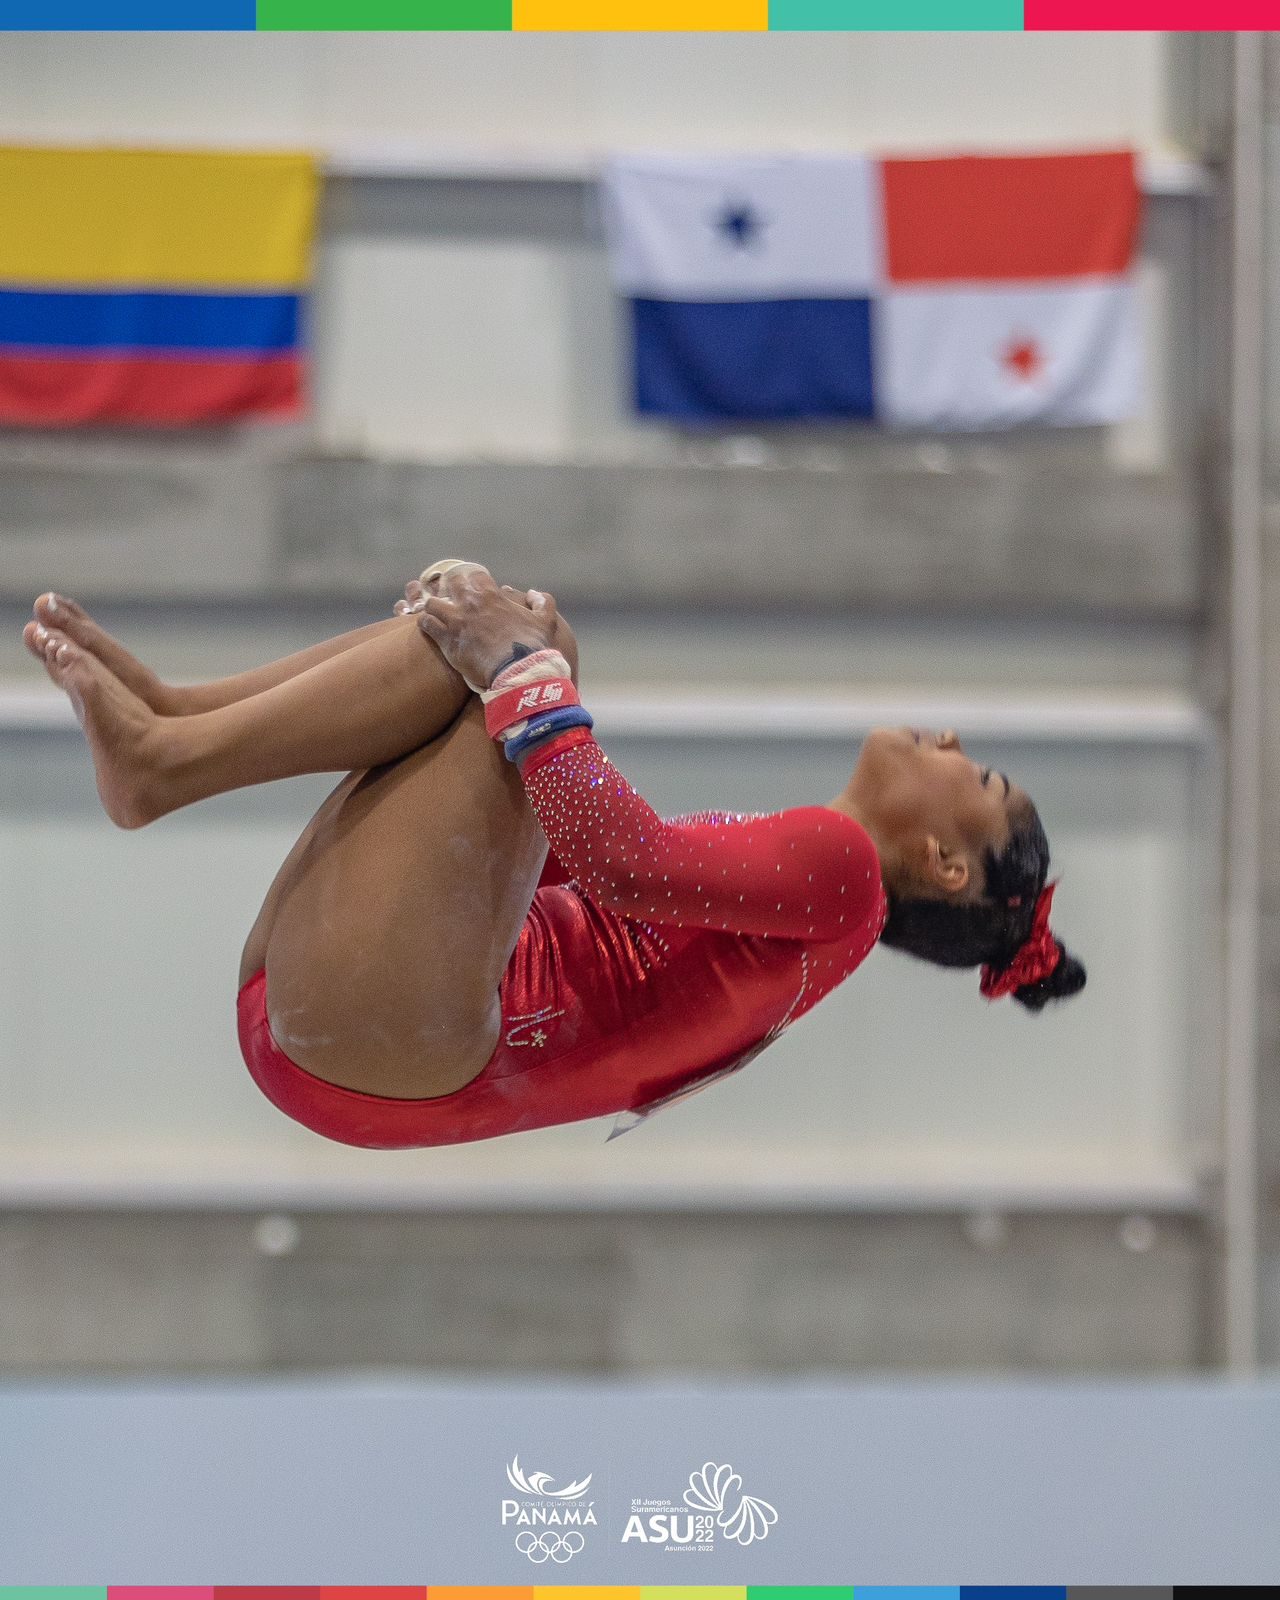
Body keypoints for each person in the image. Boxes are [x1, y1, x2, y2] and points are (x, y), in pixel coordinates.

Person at [22, 566, 1084, 1150]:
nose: (949, 744)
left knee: (524, 643)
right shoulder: (822, 911)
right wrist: (501, 683)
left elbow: (614, 860)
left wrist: (520, 670)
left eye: (978, 777)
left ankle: (167, 754)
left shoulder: (844, 871)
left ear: (945, 863)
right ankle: (174, 721)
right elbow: (575, 870)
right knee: (511, 648)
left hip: (408, 1034)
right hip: (376, 1046)